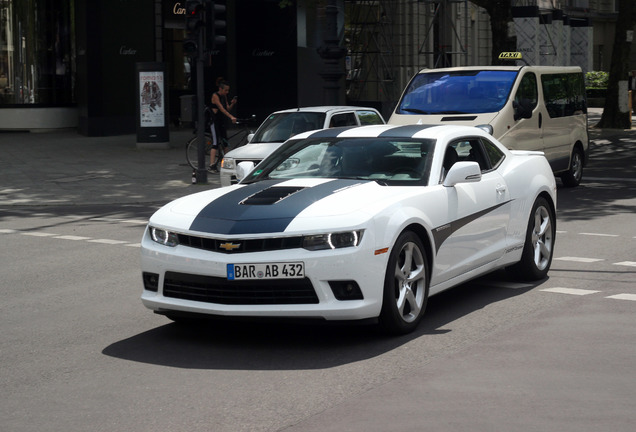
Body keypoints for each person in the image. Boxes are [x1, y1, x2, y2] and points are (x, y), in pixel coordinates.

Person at [209, 78, 237, 172]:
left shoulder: (224, 97)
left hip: (221, 122)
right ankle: (212, 165)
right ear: (220, 89)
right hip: (214, 122)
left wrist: (232, 104)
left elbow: (227, 108)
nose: (227, 92)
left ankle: (226, 164)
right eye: (226, 90)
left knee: (225, 143)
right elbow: (221, 109)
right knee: (215, 143)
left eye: (228, 90)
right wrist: (231, 117)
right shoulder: (215, 96)